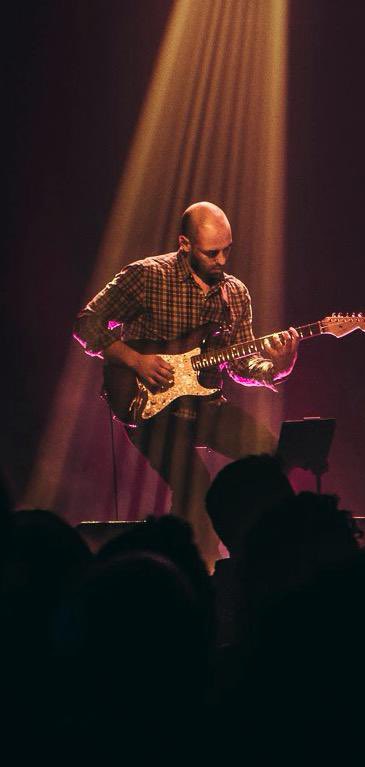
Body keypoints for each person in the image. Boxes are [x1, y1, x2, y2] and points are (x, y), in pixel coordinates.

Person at [74, 202, 299, 564]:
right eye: (212, 252)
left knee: (271, 457)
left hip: (205, 403)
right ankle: (198, 571)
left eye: (228, 249)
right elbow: (86, 323)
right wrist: (135, 360)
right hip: (148, 407)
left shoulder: (235, 293)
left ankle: (266, 556)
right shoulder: (147, 276)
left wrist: (276, 369)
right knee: (193, 487)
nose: (222, 260)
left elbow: (239, 364)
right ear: (184, 244)